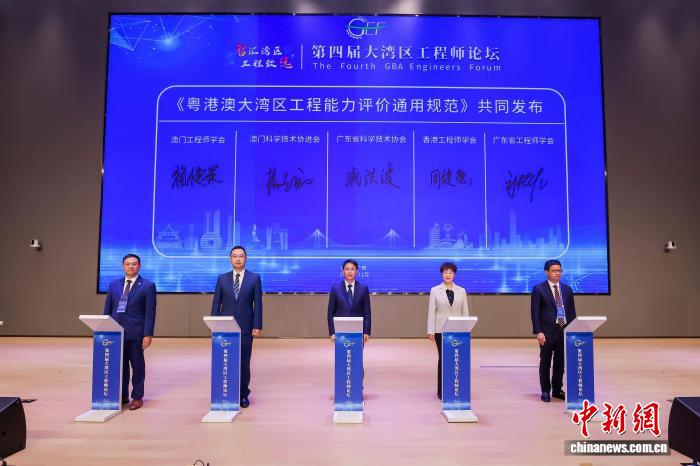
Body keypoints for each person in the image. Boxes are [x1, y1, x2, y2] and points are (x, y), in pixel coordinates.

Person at [103, 253, 157, 410]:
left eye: (134, 264)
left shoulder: (147, 286)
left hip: (136, 333)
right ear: (123, 266)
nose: (131, 266)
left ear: (139, 266)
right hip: (116, 333)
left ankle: (137, 397)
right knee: (120, 366)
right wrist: (104, 328)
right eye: (127, 264)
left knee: (137, 367)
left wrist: (148, 334)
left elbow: (150, 313)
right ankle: (123, 395)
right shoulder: (113, 285)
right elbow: (107, 309)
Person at [211, 246, 262, 408]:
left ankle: (243, 394)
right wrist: (214, 324)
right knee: (226, 361)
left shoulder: (254, 278)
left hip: (246, 327)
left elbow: (258, 304)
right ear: (230, 259)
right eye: (235, 256)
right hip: (225, 327)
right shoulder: (222, 279)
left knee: (244, 362)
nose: (238, 258)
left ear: (246, 259)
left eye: (241, 256)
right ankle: (227, 393)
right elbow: (216, 303)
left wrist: (257, 325)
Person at [530, 259, 577, 402]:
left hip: (563, 330)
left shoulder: (567, 289)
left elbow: (571, 312)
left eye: (559, 270)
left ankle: (557, 389)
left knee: (560, 363)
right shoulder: (539, 289)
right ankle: (545, 390)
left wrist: (572, 330)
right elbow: (535, 312)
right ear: (546, 272)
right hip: (547, 331)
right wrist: (539, 331)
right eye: (554, 270)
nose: (558, 273)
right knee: (545, 361)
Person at [427, 262, 469, 400]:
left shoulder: (461, 291)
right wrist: (431, 331)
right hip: (441, 331)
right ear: (441, 274)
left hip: (458, 330)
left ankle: (456, 389)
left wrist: (466, 330)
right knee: (444, 359)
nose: (448, 275)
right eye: (445, 272)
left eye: (450, 272)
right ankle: (442, 391)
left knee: (456, 360)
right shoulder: (435, 290)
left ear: (454, 274)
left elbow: (465, 312)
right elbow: (432, 312)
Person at [327, 259, 371, 343]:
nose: (350, 271)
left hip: (358, 330)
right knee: (342, 351)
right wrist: (332, 332)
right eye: (347, 269)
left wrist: (366, 332)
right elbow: (330, 313)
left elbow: (367, 313)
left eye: (352, 269)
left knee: (356, 351)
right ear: (343, 271)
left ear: (357, 271)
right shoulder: (335, 288)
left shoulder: (363, 288)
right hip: (340, 330)